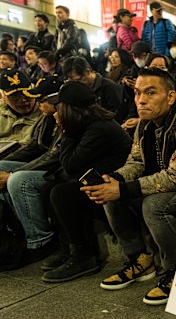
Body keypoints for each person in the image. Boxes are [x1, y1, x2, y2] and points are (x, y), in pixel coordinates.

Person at [81, 67, 176, 306]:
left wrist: (123, 188)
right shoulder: (144, 125)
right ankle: (140, 260)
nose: (141, 99)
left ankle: (175, 272)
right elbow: (136, 162)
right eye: (138, 92)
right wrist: (114, 179)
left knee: (153, 205)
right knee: (111, 192)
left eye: (150, 93)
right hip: (168, 188)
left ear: (170, 97)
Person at [41, 81, 132, 283]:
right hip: (99, 180)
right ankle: (68, 246)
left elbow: (69, 164)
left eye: (59, 107)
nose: (56, 111)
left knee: (61, 193)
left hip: (117, 190)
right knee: (49, 187)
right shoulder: (89, 124)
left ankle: (83, 255)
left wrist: (65, 131)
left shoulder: (98, 128)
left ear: (70, 110)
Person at [0, 76, 62, 265]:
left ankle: (40, 240)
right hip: (48, 165)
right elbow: (36, 146)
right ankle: (19, 229)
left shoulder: (67, 117)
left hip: (61, 172)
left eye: (41, 100)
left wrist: (13, 174)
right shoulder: (48, 117)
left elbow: (54, 156)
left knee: (19, 180)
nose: (37, 104)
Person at [0, 69, 42, 146]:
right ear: (3, 97)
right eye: (14, 96)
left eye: (27, 93)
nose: (23, 99)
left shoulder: (46, 114)